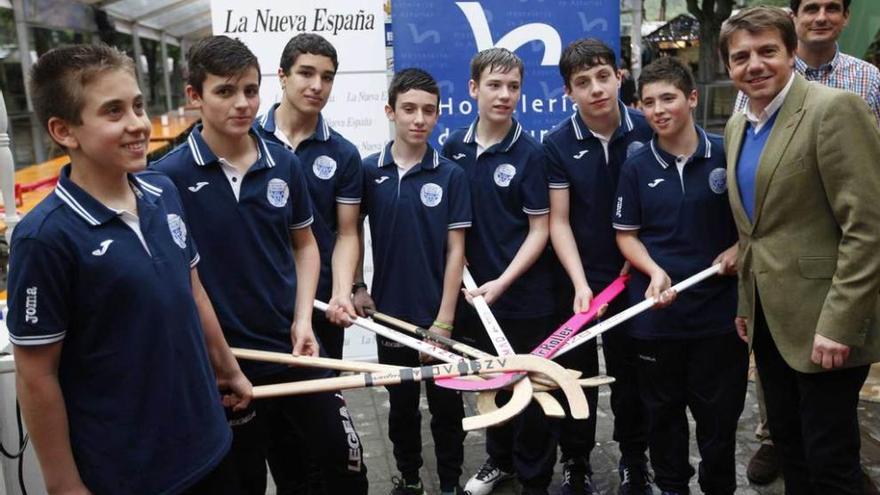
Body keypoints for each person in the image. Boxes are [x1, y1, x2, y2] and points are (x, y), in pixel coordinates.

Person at [7, 43, 252, 495]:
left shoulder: (162, 191)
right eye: (114, 111)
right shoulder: (45, 239)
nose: (138, 123)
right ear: (64, 130)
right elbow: (36, 376)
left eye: (138, 105)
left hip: (210, 443)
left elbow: (192, 289)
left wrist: (229, 368)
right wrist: (63, 484)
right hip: (132, 472)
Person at [151, 35, 368, 494]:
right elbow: (176, 281)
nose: (242, 103)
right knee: (250, 478)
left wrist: (303, 318)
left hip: (292, 348)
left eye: (250, 90)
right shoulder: (166, 179)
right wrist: (209, 357)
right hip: (227, 363)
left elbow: (306, 247)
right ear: (194, 96)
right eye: (225, 91)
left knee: (347, 466)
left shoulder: (283, 164)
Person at [721, 6, 880, 494]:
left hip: (825, 323)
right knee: (790, 449)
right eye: (740, 56)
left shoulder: (833, 109)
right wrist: (748, 304)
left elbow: (867, 229)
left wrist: (840, 324)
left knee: (831, 463)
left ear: (791, 53)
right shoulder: (739, 125)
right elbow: (754, 231)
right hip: (771, 321)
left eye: (768, 50)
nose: (755, 65)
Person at [613, 56, 746, 495]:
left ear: (692, 98)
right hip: (656, 317)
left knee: (719, 422)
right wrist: (653, 271)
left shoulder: (728, 153)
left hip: (719, 318)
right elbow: (627, 235)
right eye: (647, 102)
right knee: (663, 417)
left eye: (668, 98)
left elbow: (756, 225)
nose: (658, 110)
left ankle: (719, 486)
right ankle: (672, 487)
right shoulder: (636, 166)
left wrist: (739, 249)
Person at [542, 38, 655, 495]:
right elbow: (559, 221)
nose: (595, 89)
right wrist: (580, 283)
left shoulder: (649, 130)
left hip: (637, 280)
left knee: (632, 377)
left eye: (602, 76)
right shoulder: (556, 143)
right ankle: (575, 463)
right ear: (569, 92)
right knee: (577, 377)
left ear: (619, 76)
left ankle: (633, 459)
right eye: (582, 82)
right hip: (581, 285)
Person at [443, 47, 557, 495]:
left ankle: (534, 477)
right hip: (475, 296)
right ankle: (499, 460)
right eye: (494, 85)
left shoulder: (531, 153)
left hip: (525, 294)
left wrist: (504, 281)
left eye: (513, 87)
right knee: (493, 380)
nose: (504, 95)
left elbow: (540, 229)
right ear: (473, 89)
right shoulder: (452, 147)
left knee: (530, 384)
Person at [355, 68, 471, 495]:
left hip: (435, 318)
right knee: (401, 408)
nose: (418, 119)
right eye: (408, 109)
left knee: (446, 407)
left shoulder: (451, 175)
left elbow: (456, 251)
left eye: (428, 111)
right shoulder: (369, 171)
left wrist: (444, 320)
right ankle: (407, 476)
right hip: (388, 314)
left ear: (438, 115)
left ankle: (451, 482)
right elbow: (350, 233)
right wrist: (356, 286)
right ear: (391, 112)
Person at [254, 33, 363, 360]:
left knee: (325, 405)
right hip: (261, 303)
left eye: (326, 77)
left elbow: (346, 233)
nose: (317, 85)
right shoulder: (248, 141)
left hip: (320, 303)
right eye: (306, 73)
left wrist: (342, 292)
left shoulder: (344, 153)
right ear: (282, 76)